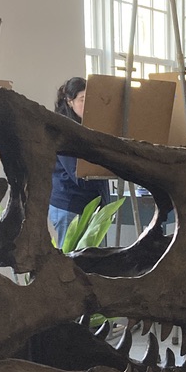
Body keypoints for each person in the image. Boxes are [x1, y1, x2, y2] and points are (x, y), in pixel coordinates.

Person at [51, 77, 111, 247]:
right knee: (72, 259)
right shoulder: (63, 130)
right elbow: (79, 174)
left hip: (93, 204)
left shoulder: (92, 128)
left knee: (96, 258)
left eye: (90, 99)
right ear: (70, 102)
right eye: (82, 99)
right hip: (70, 204)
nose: (88, 105)